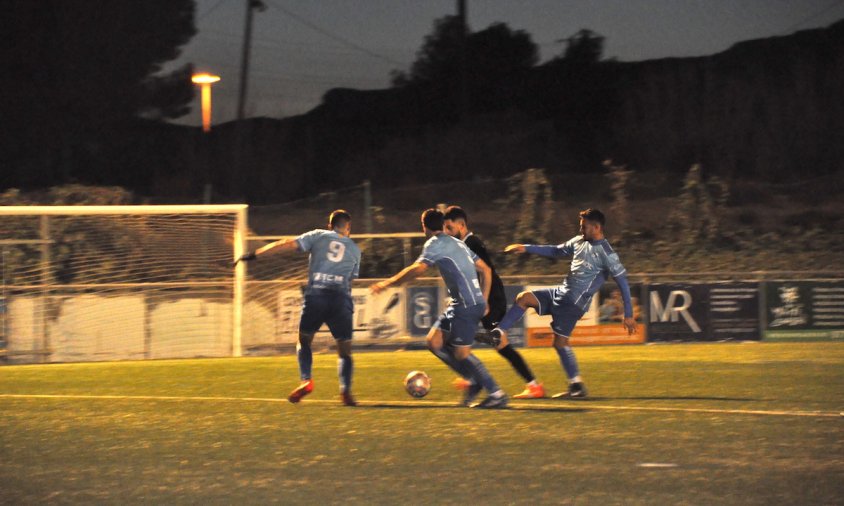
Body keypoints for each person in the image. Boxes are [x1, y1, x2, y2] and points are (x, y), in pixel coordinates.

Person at [485, 208, 637, 399]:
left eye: (584, 226)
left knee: (560, 342)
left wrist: (629, 314)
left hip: (573, 303)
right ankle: (498, 333)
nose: (580, 230)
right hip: (560, 292)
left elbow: (622, 281)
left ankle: (577, 386)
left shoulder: (606, 253)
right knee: (523, 298)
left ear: (597, 227)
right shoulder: (579, 241)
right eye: (580, 226)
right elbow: (556, 251)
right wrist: (526, 247)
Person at [370, 208, 508, 408]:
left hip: (466, 305)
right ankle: (473, 380)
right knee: (434, 342)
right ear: (443, 224)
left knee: (462, 353)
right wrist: (484, 299)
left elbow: (418, 269)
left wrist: (388, 283)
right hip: (462, 303)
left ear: (424, 227)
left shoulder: (434, 244)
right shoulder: (458, 244)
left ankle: (496, 393)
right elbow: (486, 270)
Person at [235, 210, 362, 407]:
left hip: (316, 297)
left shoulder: (317, 235)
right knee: (345, 350)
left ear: (330, 225)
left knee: (304, 342)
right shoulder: (355, 249)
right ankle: (345, 390)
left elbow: (283, 244)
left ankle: (306, 380)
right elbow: (350, 279)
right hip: (340, 300)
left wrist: (254, 255)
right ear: (349, 229)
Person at [443, 205, 545, 399]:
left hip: (490, 298)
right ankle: (474, 377)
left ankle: (533, 385)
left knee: (497, 342)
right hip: (485, 297)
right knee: (479, 338)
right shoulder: (466, 243)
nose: (447, 232)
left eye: (449, 227)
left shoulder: (472, 242)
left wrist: (484, 299)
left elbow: (485, 271)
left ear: (461, 225)